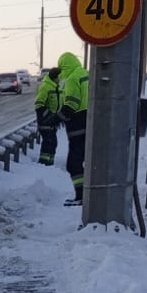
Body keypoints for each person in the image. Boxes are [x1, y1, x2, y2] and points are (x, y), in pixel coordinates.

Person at [57, 51, 89, 205]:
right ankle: (88, 196)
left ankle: (82, 196)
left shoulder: (71, 78)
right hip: (92, 124)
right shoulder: (86, 74)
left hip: (78, 126)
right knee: (90, 162)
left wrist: (57, 118)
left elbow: (71, 103)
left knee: (74, 164)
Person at [33, 66, 61, 166]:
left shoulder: (56, 87)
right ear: (55, 77)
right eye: (60, 77)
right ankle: (44, 164)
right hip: (46, 122)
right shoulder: (46, 87)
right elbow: (39, 104)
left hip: (52, 122)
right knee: (48, 143)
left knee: (53, 143)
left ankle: (50, 165)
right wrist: (48, 116)